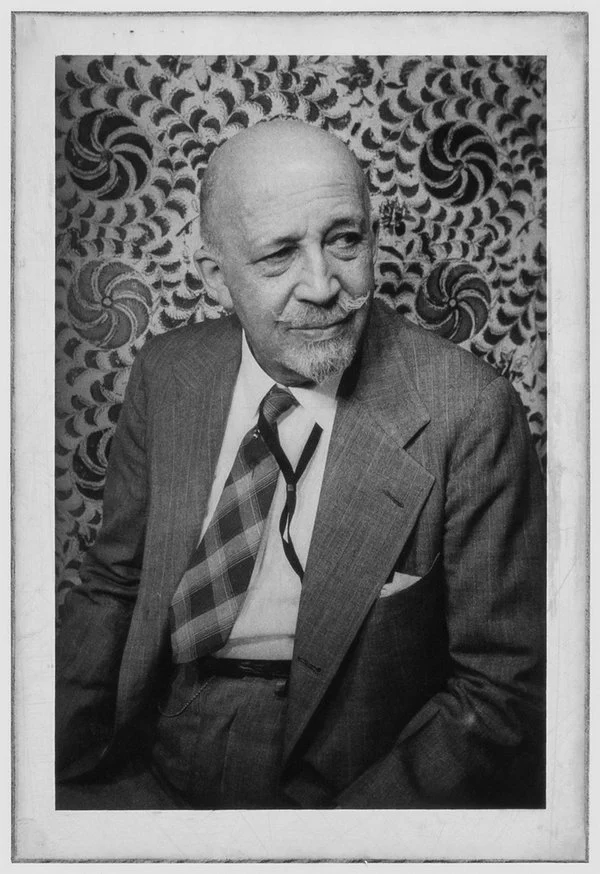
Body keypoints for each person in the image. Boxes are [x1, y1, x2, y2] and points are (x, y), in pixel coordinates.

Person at [56, 118, 546, 810]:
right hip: (151, 741)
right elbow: (113, 584)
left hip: (350, 771)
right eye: (278, 255)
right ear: (217, 275)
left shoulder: (471, 411)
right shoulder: (168, 374)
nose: (323, 285)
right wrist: (43, 774)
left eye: (345, 239)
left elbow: (501, 694)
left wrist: (336, 844)